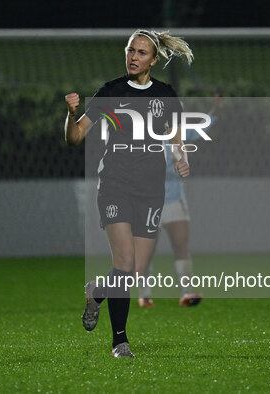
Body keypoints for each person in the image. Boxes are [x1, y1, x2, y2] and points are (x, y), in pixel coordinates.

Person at [64, 29, 193, 357]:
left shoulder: (164, 94)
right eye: (130, 51)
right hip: (115, 187)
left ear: (154, 59)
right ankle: (119, 341)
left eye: (141, 53)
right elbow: (76, 137)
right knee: (123, 263)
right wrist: (70, 114)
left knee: (133, 270)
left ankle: (96, 292)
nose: (134, 57)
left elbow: (175, 131)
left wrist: (179, 156)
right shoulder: (110, 91)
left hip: (151, 191)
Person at [138, 94, 220, 309]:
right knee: (147, 250)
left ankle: (187, 291)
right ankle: (144, 295)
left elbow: (202, 128)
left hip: (175, 200)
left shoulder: (180, 135)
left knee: (181, 245)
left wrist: (215, 110)